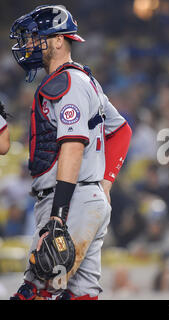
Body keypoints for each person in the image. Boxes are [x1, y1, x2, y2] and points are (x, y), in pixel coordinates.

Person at [9, 5, 131, 300]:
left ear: (59, 40)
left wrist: (58, 216)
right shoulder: (85, 80)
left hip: (69, 202)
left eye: (37, 38)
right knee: (80, 294)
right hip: (85, 200)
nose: (29, 45)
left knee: (37, 290)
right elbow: (121, 130)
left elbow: (73, 147)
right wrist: (105, 184)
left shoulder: (67, 83)